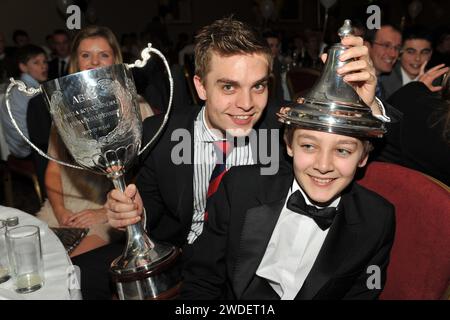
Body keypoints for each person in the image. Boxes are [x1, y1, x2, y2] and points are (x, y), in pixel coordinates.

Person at [72, 17, 389, 299]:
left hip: (247, 266)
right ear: (201, 86)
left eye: (258, 86)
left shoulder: (289, 127)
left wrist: (365, 104)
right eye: (229, 87)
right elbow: (151, 214)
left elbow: (359, 157)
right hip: (176, 254)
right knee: (77, 276)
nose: (247, 104)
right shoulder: (161, 132)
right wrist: (132, 214)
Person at [180, 77, 396, 300]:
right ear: (289, 145)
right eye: (309, 146)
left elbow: (367, 290)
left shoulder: (377, 220)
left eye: (342, 151)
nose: (323, 166)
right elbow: (202, 278)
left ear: (363, 158)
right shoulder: (239, 188)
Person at [36, 26, 153, 258]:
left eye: (104, 55)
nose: (94, 62)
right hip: (63, 207)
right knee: (28, 257)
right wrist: (60, 211)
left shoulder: (137, 107)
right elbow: (53, 170)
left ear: (115, 59)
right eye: (86, 55)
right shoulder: (64, 111)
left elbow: (150, 177)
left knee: (69, 267)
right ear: (75, 62)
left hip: (111, 214)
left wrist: (103, 212)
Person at [0, 44, 48, 159]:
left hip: (27, 146)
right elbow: (28, 135)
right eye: (36, 63)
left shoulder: (29, 87)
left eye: (45, 61)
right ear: (23, 67)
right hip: (27, 151)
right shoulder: (25, 92)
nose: (44, 67)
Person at [380, 26, 443, 99]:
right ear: (400, 53)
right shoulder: (383, 78)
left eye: (424, 52)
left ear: (430, 54)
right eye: (411, 52)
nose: (417, 58)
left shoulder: (438, 83)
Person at [364, 24, 402, 100]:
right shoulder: (352, 81)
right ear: (367, 46)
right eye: (386, 45)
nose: (393, 54)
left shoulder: (392, 84)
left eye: (397, 48)